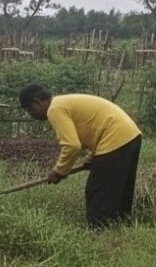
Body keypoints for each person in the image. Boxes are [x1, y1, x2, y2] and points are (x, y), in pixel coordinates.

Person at [18, 84, 143, 228]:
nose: (31, 115)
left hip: (115, 137)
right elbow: (95, 128)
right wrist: (91, 159)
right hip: (131, 135)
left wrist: (59, 171)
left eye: (30, 110)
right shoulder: (63, 103)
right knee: (119, 190)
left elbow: (72, 146)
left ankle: (100, 233)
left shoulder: (55, 109)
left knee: (98, 192)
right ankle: (120, 228)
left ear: (36, 103)